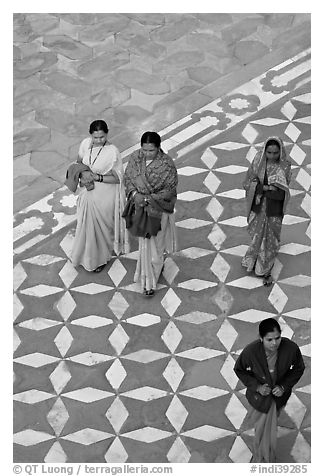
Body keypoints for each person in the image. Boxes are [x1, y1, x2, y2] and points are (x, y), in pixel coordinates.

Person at [234, 318, 305, 463]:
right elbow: (239, 369)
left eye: (277, 338)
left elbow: (298, 368)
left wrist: (284, 386)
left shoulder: (291, 348)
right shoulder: (251, 352)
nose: (274, 343)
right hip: (259, 398)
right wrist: (257, 387)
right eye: (269, 339)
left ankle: (263, 456)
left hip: (279, 396)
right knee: (262, 429)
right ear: (261, 338)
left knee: (269, 427)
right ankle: (264, 458)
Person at [123, 131, 178, 296]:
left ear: (159, 148)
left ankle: (152, 278)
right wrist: (134, 195)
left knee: (156, 247)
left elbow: (169, 191)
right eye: (144, 150)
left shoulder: (166, 165)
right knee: (145, 245)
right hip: (140, 210)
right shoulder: (135, 158)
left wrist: (147, 199)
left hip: (158, 212)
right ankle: (147, 278)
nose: (146, 154)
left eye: (151, 151)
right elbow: (128, 179)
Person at [71, 119, 129, 272]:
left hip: (105, 194)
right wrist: (83, 174)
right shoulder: (85, 144)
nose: (98, 140)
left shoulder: (112, 151)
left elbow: (118, 178)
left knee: (101, 228)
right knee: (86, 226)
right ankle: (88, 256)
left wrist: (97, 177)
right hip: (88, 191)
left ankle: (101, 258)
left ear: (107, 134)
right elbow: (78, 163)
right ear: (90, 135)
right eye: (95, 137)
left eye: (102, 137)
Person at [241, 136, 291, 285]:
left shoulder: (285, 166)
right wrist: (266, 188)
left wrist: (270, 191)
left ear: (280, 152)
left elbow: (283, 192)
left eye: (275, 153)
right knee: (258, 234)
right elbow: (248, 182)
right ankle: (253, 259)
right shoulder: (258, 161)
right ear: (265, 151)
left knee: (270, 236)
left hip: (273, 208)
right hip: (260, 206)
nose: (272, 156)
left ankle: (265, 267)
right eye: (269, 152)